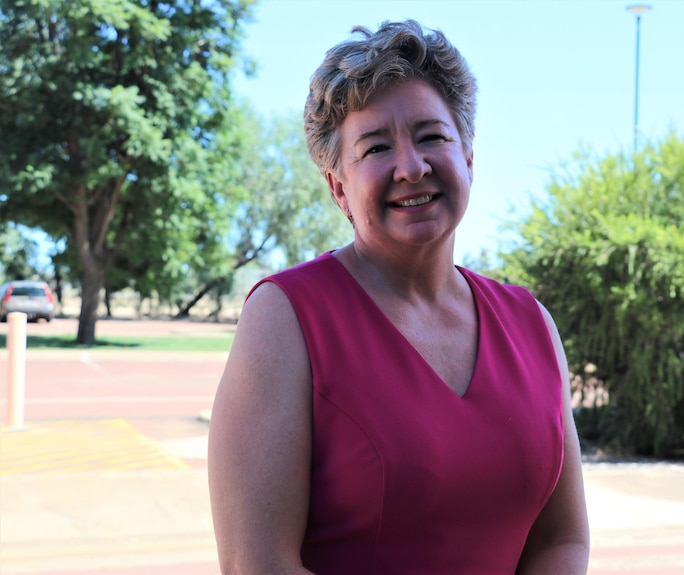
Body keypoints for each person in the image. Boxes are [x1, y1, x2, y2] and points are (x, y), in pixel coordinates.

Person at [208, 19, 590, 574]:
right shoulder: (286, 317)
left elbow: (563, 540)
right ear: (338, 186)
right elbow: (256, 563)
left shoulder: (531, 323)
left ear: (469, 158)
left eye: (432, 135)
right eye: (376, 147)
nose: (411, 167)